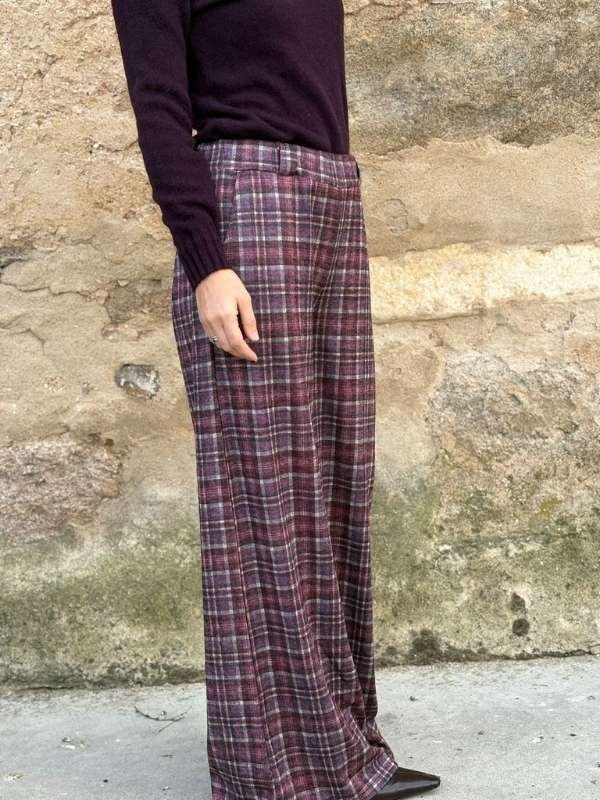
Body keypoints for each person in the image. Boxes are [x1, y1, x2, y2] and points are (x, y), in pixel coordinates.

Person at [110, 2, 442, 798]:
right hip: (247, 204)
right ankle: (274, 772)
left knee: (336, 485)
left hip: (332, 196)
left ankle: (342, 744)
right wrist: (207, 262)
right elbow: (159, 106)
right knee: (262, 498)